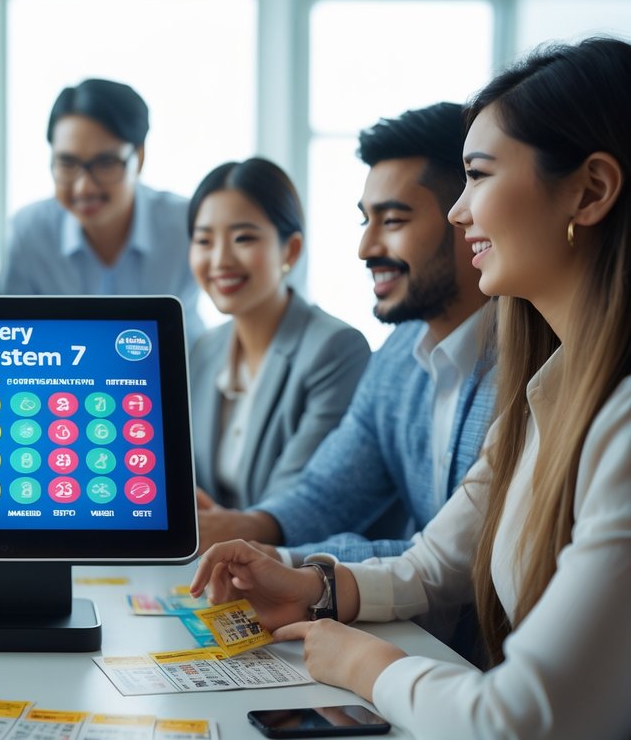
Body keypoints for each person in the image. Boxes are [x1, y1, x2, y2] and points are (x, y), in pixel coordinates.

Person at [193, 37, 631, 740]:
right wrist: (311, 582)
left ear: (589, 191)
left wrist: (361, 663)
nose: (464, 212)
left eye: (478, 177)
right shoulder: (550, 389)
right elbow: (436, 564)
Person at [196, 103, 494, 571]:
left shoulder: (531, 360)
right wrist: (251, 531)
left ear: (468, 218)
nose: (365, 249)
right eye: (365, 221)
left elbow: (451, 562)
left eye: (392, 221)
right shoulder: (398, 357)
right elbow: (329, 492)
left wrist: (285, 561)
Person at [187, 158, 369, 509]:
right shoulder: (205, 349)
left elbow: (298, 504)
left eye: (243, 238)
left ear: (291, 249)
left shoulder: (335, 349)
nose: (220, 259)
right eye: (204, 240)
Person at [0, 78, 204, 345]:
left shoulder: (185, 225)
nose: (84, 187)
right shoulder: (28, 232)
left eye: (105, 163)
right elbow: (9, 337)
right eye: (67, 163)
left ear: (139, 158)